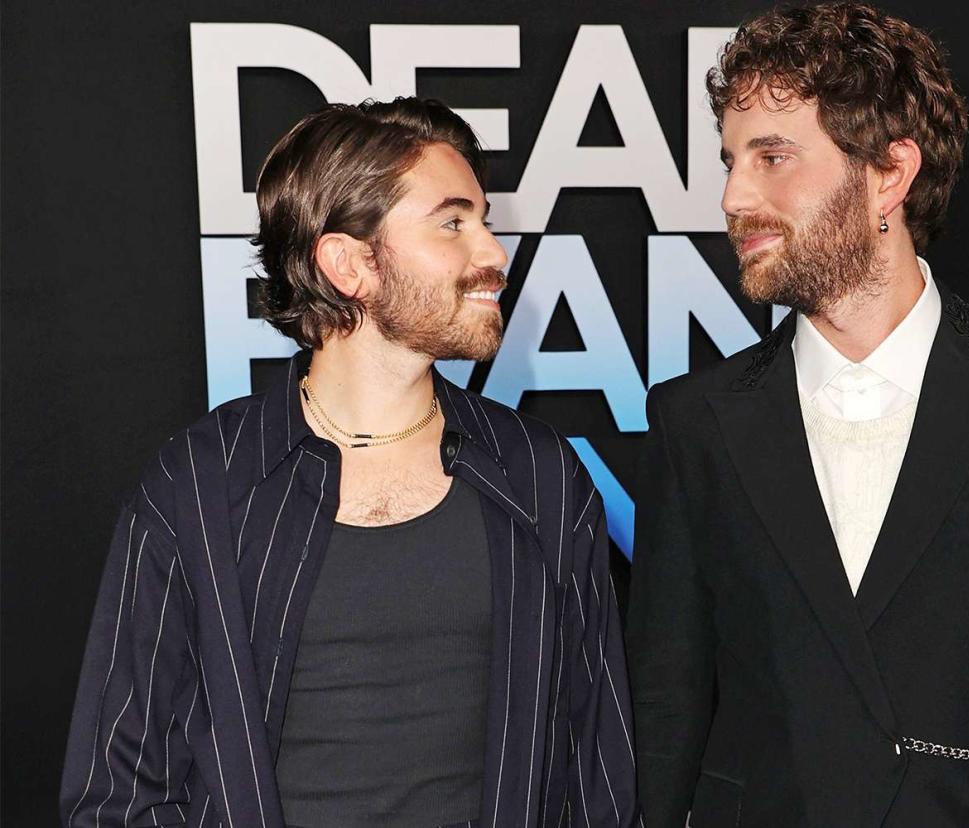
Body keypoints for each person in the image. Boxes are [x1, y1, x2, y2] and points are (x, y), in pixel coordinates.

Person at [626, 4, 969, 826]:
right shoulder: (695, 422)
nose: (731, 196)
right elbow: (664, 710)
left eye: (773, 156)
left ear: (889, 174)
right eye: (729, 160)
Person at [61, 97, 637, 828]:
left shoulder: (542, 476)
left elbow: (600, 774)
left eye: (483, 221)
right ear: (350, 264)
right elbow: (119, 790)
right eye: (453, 222)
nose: (493, 252)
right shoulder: (200, 486)